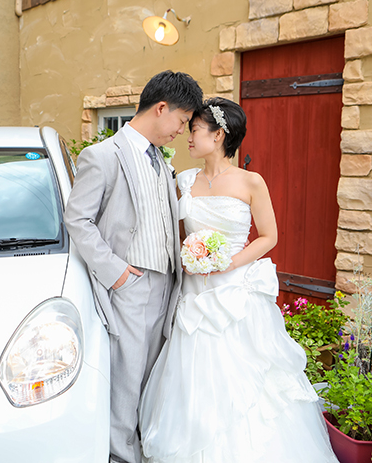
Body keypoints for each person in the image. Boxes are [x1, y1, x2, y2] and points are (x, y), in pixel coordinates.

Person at [138, 97, 339, 462]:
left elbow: (268, 236)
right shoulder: (183, 180)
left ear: (218, 136)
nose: (188, 136)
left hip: (236, 293)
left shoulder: (251, 182)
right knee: (194, 380)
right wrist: (190, 257)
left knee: (251, 383)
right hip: (195, 297)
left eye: (195, 129)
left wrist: (228, 262)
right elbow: (177, 235)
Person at [64, 71, 204, 463]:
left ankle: (141, 449)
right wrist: (118, 274)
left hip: (167, 284)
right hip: (130, 284)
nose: (181, 130)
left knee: (150, 377)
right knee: (125, 380)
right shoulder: (104, 155)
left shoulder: (161, 161)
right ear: (161, 108)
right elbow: (78, 220)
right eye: (181, 120)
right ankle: (118, 457)